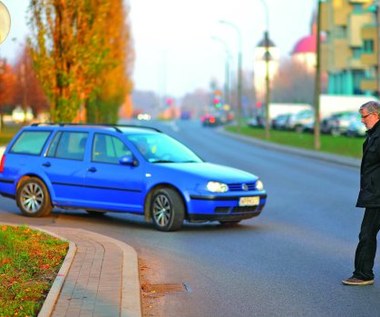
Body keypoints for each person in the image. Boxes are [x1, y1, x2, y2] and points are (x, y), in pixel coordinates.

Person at [342, 101, 380, 286]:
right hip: (374, 193)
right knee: (367, 233)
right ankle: (364, 273)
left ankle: (363, 274)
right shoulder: (374, 135)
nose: (362, 120)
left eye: (364, 116)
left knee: (367, 234)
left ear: (376, 115)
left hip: (378, 195)